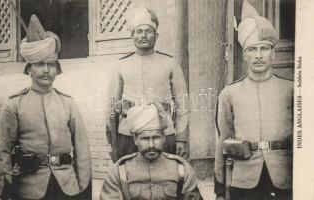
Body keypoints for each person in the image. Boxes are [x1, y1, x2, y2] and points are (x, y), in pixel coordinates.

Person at [0, 15, 92, 200]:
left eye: (51, 65)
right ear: (29, 69)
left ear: (57, 69)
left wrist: (82, 189)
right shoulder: (14, 104)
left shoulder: (67, 103)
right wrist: (6, 191)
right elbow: (0, 152)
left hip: (67, 188)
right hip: (29, 189)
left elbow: (82, 150)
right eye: (39, 65)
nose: (46, 70)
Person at [214, 1, 293, 200]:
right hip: (244, 178)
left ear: (273, 53)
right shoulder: (229, 93)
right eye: (252, 49)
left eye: (264, 49)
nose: (258, 56)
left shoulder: (292, 90)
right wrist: (220, 188)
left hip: (285, 177)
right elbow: (222, 140)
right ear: (245, 54)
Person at [107, 7, 190, 160]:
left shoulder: (170, 63)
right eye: (138, 31)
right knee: (130, 177)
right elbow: (111, 106)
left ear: (156, 35)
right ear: (132, 35)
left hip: (163, 131)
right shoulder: (121, 65)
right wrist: (112, 141)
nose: (143, 35)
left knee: (165, 176)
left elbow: (183, 104)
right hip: (129, 133)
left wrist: (181, 138)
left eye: (148, 31)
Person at [100, 103, 201, 200]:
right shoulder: (119, 172)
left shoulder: (182, 170)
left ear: (164, 138)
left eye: (156, 138)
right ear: (135, 139)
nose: (151, 145)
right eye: (145, 139)